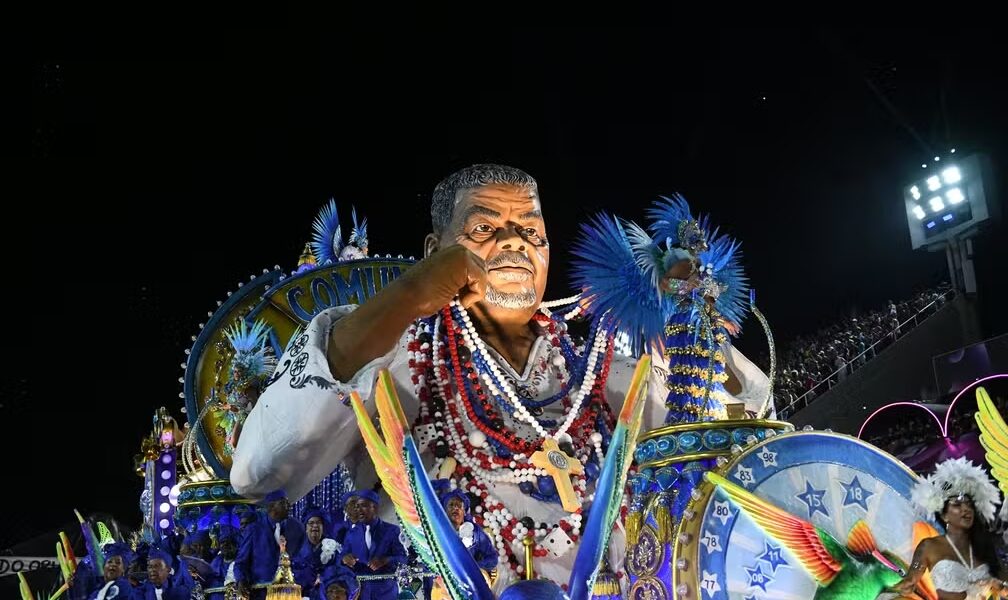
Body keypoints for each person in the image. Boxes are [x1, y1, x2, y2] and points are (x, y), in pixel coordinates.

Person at [231, 163, 770, 588]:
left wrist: (690, 317)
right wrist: (407, 297)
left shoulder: (606, 378)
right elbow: (259, 475)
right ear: (432, 250)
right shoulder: (391, 373)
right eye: (485, 227)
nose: (514, 243)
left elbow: (734, 437)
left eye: (530, 230)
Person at [895, 458, 1008, 599]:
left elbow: (1002, 581)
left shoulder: (984, 546)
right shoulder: (929, 546)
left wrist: (999, 586)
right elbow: (909, 580)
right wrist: (905, 586)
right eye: (957, 505)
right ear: (944, 515)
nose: (966, 509)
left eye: (969, 504)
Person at [233, 489, 305, 600]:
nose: (288, 505)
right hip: (261, 593)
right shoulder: (254, 530)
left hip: (290, 593)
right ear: (271, 507)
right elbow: (241, 562)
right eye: (283, 503)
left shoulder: (297, 527)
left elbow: (303, 557)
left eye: (287, 502)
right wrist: (241, 580)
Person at [339, 490, 407, 600]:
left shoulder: (391, 531)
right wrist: (344, 559)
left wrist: (385, 560)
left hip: (386, 593)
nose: (359, 510)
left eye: (364, 506)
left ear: (374, 507)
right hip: (361, 593)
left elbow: (403, 559)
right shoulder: (351, 533)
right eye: (357, 506)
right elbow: (341, 558)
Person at [293, 507, 340, 597]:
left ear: (323, 527)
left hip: (327, 593)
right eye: (311, 523)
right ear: (306, 528)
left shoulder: (332, 546)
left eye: (318, 523)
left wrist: (323, 577)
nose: (315, 526)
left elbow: (338, 569)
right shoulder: (297, 548)